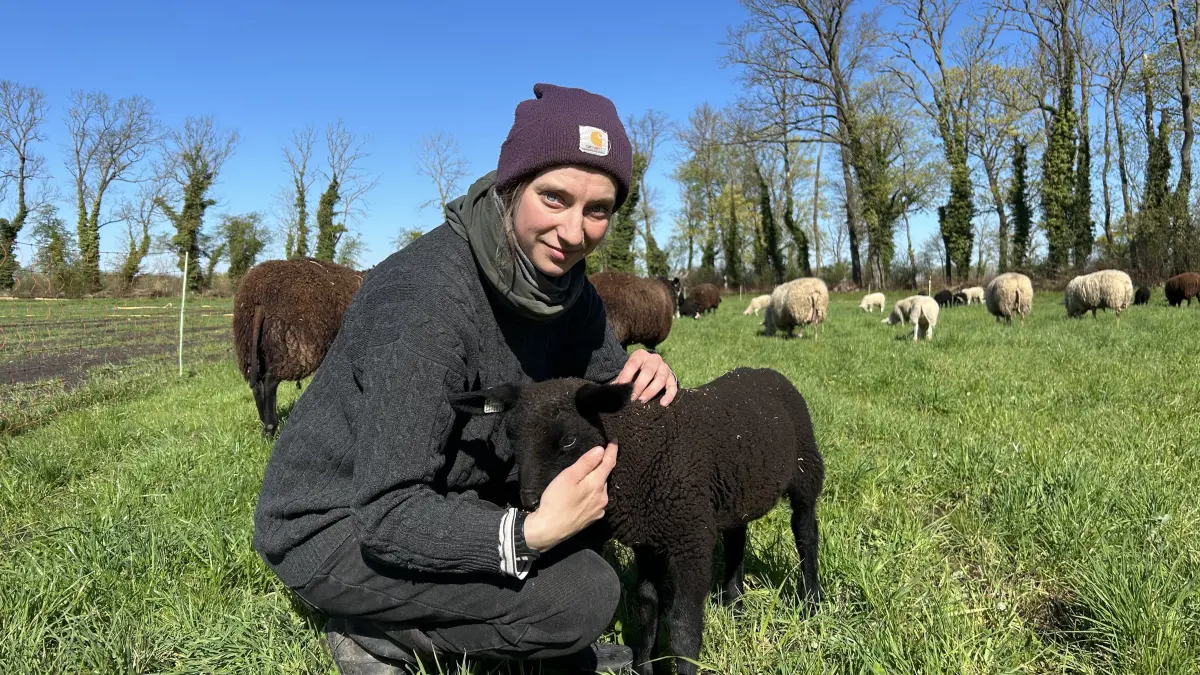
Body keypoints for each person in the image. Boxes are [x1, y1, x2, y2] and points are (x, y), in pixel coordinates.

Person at [253, 83, 678, 674]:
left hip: (452, 491)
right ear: (511, 187)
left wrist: (644, 375)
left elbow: (604, 386)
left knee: (604, 474)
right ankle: (375, 634)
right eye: (554, 198)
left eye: (598, 209)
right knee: (583, 596)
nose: (575, 232)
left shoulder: (566, 288)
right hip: (339, 523)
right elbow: (387, 512)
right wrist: (529, 535)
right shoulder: (427, 301)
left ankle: (515, 632)